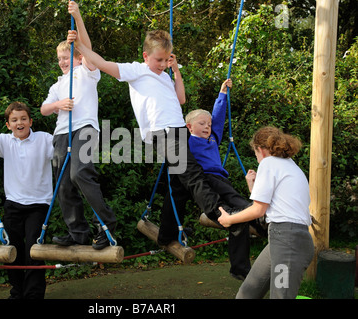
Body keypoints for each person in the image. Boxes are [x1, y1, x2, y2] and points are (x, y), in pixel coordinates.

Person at [67, 24, 225, 248]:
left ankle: (167, 234)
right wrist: (81, 45)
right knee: (192, 174)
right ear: (145, 56)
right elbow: (101, 63)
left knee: (178, 186)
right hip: (163, 131)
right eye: (158, 60)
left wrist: (175, 70)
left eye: (165, 60)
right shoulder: (137, 70)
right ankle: (219, 212)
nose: (162, 65)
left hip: (178, 129)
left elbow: (181, 99)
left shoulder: (164, 77)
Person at [41, 1, 116, 250]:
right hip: (61, 133)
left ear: (78, 57)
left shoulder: (87, 71)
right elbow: (43, 109)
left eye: (67, 57)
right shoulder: (56, 86)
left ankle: (105, 225)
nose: (63, 62)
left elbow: (88, 48)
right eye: (60, 58)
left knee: (80, 173)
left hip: (84, 128)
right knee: (63, 183)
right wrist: (58, 104)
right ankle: (78, 232)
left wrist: (77, 17)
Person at [218, 126, 314, 299]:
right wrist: (252, 185)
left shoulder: (269, 163)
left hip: (288, 242)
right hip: (282, 240)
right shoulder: (289, 166)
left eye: (255, 153)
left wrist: (229, 219)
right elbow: (267, 208)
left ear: (260, 149)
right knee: (246, 294)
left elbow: (258, 210)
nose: (257, 157)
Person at [0, 101, 53, 299]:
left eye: (23, 119)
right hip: (13, 204)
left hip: (39, 204)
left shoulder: (44, 139)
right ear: (8, 125)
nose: (19, 123)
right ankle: (17, 292)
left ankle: (33, 294)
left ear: (31, 121)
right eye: (14, 120)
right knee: (11, 250)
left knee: (34, 250)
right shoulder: (5, 141)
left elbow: (64, 146)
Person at [185, 78, 267, 280]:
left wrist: (222, 94)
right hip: (206, 181)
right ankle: (240, 269)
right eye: (202, 123)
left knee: (247, 209)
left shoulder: (213, 137)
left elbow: (219, 118)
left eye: (208, 124)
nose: (207, 126)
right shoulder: (186, 142)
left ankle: (267, 230)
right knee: (235, 217)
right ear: (189, 126)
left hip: (221, 181)